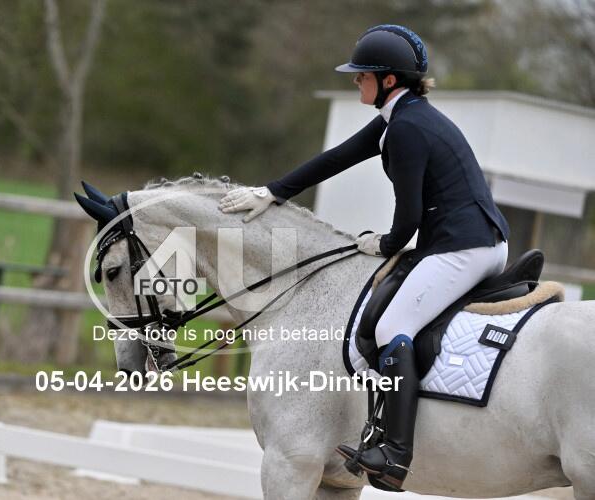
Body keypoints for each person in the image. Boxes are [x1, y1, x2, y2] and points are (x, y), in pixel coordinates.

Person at [218, 24, 510, 490]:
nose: (356, 80)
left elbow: (409, 214)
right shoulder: (403, 115)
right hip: (470, 240)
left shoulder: (408, 128)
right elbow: (338, 157)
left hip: (463, 247)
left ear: (389, 81)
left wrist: (386, 244)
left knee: (393, 327)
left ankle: (395, 452)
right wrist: (272, 192)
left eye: (363, 75)